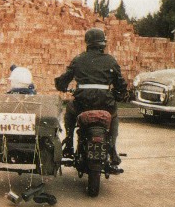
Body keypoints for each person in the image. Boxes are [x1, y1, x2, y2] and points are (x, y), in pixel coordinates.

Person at [55, 28, 128, 166]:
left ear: (87, 43)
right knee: (114, 116)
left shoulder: (78, 59)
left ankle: (69, 144)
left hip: (83, 104)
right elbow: (121, 84)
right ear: (103, 44)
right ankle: (112, 149)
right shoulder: (111, 61)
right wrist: (119, 94)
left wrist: (60, 85)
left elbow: (64, 79)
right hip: (105, 103)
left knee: (70, 111)